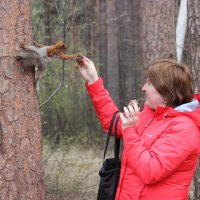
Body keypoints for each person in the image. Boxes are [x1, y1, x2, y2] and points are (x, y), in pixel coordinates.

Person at [76, 57, 200, 200]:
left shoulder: (184, 128)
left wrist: (130, 129)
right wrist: (93, 80)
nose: (143, 88)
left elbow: (151, 171)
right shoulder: (152, 114)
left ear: (166, 93)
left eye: (149, 84)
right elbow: (114, 122)